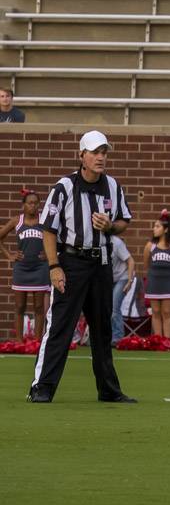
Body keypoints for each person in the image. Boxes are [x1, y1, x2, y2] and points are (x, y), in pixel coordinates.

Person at [27, 130, 135, 403]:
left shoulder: (112, 185)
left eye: (104, 152)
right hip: (72, 261)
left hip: (101, 261)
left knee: (102, 328)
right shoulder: (63, 187)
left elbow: (124, 220)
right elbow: (49, 230)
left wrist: (110, 226)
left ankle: (108, 389)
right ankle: (42, 387)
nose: (101, 157)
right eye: (95, 152)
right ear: (82, 156)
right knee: (60, 326)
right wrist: (54, 266)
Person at [0, 188, 51, 339]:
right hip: (21, 268)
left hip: (40, 269)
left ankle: (37, 342)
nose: (33, 206)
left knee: (39, 307)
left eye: (36, 203)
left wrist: (48, 255)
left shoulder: (44, 220)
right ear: (24, 205)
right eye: (30, 203)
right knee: (19, 307)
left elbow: (58, 238)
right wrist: (9, 254)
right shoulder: (17, 221)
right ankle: (19, 342)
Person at [144, 210, 170, 339]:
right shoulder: (150, 245)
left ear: (166, 229)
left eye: (157, 226)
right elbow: (147, 264)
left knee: (167, 312)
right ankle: (158, 340)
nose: (154, 229)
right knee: (155, 312)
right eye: (154, 226)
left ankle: (167, 341)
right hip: (154, 282)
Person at [109, 234, 135, 343]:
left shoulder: (116, 242)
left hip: (122, 277)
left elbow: (130, 261)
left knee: (114, 307)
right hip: (108, 279)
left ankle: (118, 338)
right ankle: (106, 337)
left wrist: (129, 281)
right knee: (105, 308)